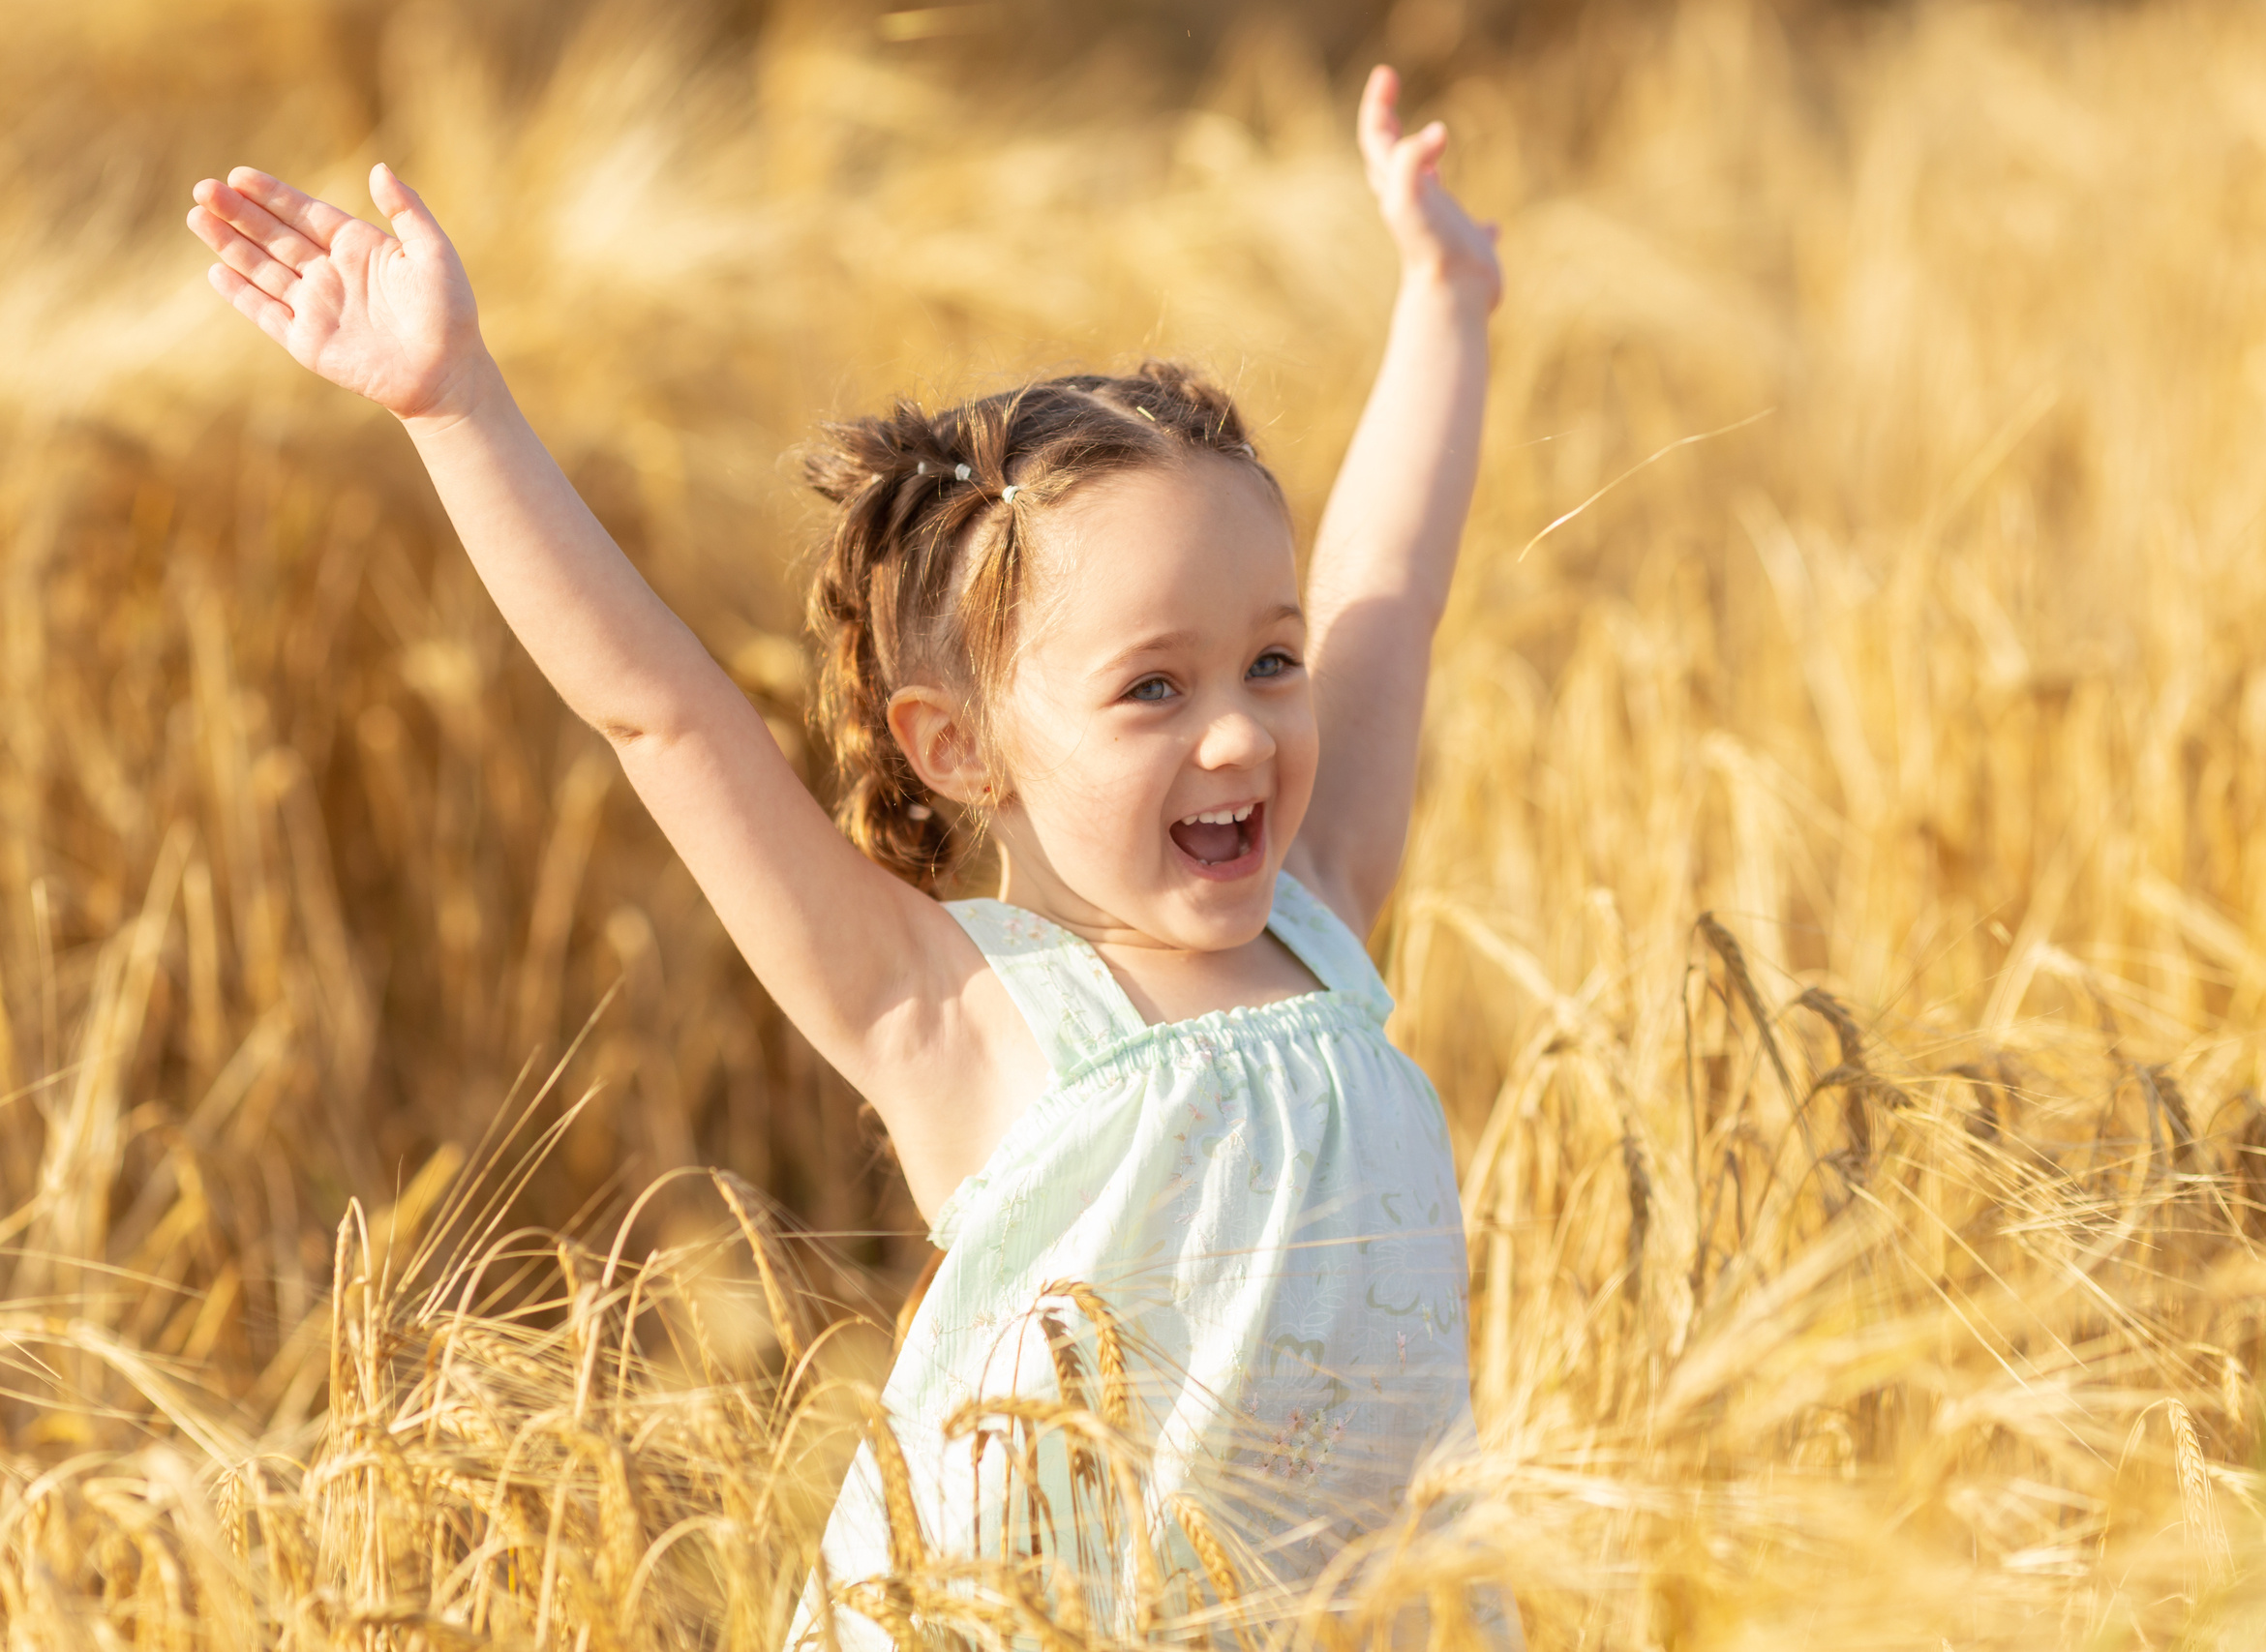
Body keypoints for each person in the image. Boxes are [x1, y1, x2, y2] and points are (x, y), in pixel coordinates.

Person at [188, 61, 1504, 1646]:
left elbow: (1387, 590)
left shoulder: (1325, 918)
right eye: (1155, 687)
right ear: (958, 746)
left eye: (1269, 666)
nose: (1239, 736)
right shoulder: (954, 1012)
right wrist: (453, 403)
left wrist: (1444, 297)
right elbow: (663, 718)